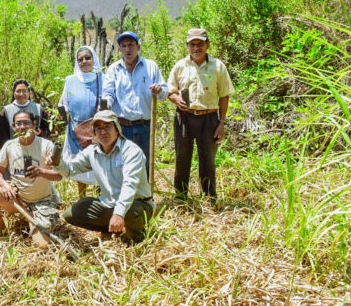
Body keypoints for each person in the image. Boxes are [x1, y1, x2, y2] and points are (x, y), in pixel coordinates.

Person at [53, 110, 154, 243]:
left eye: (107, 127)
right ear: (94, 133)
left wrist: (119, 213)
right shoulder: (92, 152)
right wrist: (57, 162)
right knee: (72, 213)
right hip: (109, 205)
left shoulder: (131, 151)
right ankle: (110, 228)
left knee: (130, 212)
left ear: (117, 129)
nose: (103, 132)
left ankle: (137, 237)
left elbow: (130, 185)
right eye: (98, 128)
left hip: (136, 203)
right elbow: (70, 169)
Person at [167, 28, 234, 201]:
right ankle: (181, 197)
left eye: (200, 44)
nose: (196, 48)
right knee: (182, 157)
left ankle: (209, 197)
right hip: (184, 117)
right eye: (192, 44)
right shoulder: (180, 66)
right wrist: (176, 100)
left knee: (208, 158)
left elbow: (224, 95)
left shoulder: (218, 67)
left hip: (209, 118)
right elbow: (170, 91)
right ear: (187, 46)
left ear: (207, 45)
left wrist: (222, 122)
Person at [0, 110, 62, 246]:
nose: (22, 127)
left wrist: (41, 172)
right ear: (14, 127)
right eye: (18, 124)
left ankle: (36, 221)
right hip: (17, 200)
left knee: (42, 246)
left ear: (34, 125)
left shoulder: (46, 145)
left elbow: (59, 176)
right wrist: (5, 186)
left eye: (26, 123)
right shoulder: (10, 145)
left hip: (41, 203)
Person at [101, 31, 168, 172]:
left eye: (131, 45)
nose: (127, 49)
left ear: (138, 47)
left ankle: (144, 194)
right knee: (121, 164)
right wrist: (106, 103)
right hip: (121, 127)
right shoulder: (114, 69)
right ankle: (124, 194)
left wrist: (159, 90)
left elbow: (164, 92)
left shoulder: (151, 67)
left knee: (144, 164)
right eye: (123, 46)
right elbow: (108, 92)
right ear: (119, 49)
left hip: (144, 126)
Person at [58, 46, 103, 194]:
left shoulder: (102, 78)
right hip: (76, 130)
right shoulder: (70, 80)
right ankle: (81, 199)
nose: (84, 61)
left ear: (93, 58)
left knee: (99, 165)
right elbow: (63, 103)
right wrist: (61, 114)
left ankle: (99, 200)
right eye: (80, 59)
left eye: (87, 58)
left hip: (98, 130)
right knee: (79, 166)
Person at [0, 79, 50, 148]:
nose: (21, 94)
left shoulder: (39, 109)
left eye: (24, 91)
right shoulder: (6, 111)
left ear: (29, 92)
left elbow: (46, 131)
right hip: (14, 151)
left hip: (36, 150)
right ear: (13, 93)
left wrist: (40, 133)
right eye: (18, 91)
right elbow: (1, 137)